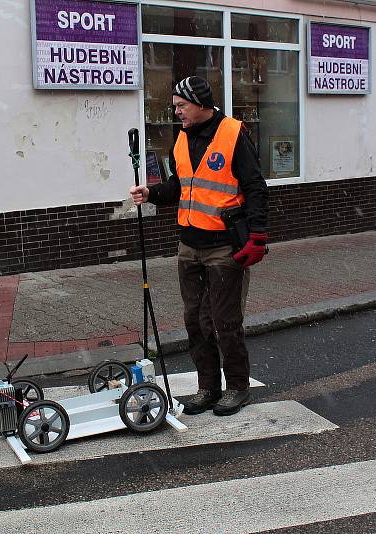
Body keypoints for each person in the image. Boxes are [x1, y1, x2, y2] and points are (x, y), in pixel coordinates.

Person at [129, 76, 268, 416]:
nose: (176, 112)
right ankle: (208, 387)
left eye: (181, 106)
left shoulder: (234, 133)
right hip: (189, 246)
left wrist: (257, 235)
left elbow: (255, 186)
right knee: (195, 321)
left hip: (224, 247)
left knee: (224, 322)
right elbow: (181, 185)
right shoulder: (182, 138)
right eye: (175, 106)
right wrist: (152, 194)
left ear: (201, 104)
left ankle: (237, 387)